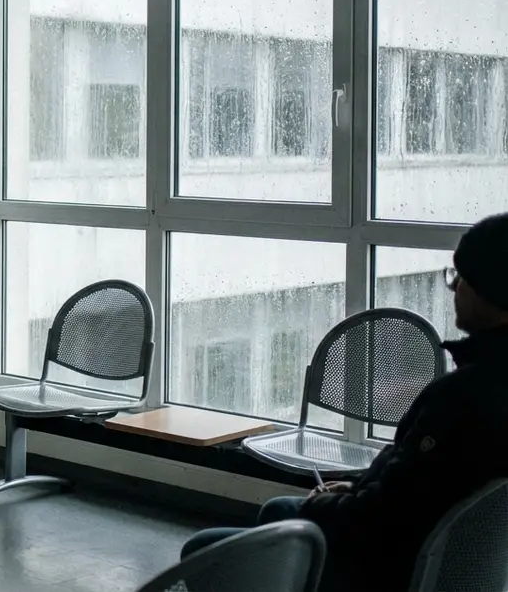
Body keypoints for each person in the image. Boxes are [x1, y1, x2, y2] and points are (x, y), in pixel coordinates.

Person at [180, 212, 508, 591]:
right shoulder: (486, 385)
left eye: (462, 277)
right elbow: (414, 483)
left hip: (388, 568)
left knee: (202, 548)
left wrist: (327, 503)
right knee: (277, 510)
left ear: (493, 291)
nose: (454, 288)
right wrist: (355, 490)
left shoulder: (462, 398)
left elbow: (385, 516)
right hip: (444, 562)